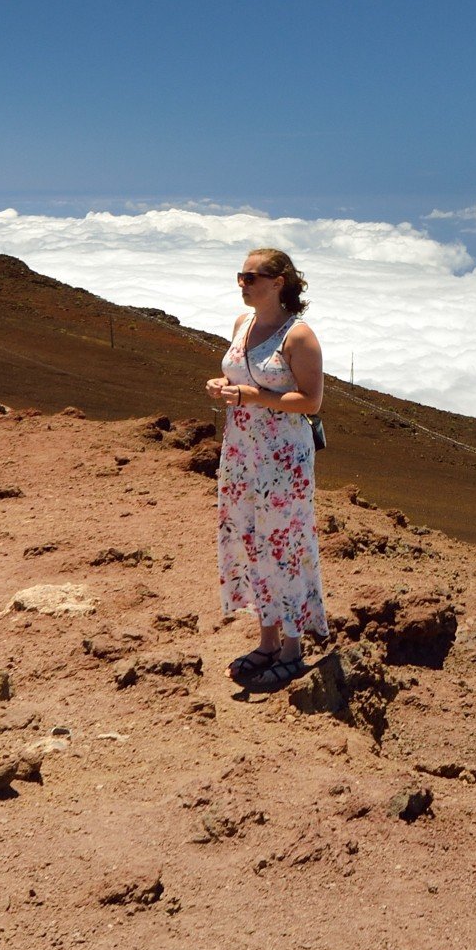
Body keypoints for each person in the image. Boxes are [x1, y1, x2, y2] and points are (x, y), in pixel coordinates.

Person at [205, 248, 328, 692]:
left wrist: (254, 397)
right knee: (252, 539)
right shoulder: (243, 325)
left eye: (251, 276)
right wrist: (226, 387)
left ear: (278, 282)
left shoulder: (299, 337)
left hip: (282, 459)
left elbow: (311, 402)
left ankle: (293, 650)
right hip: (241, 452)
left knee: (284, 544)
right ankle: (268, 639)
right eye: (239, 275)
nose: (242, 283)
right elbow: (243, 378)